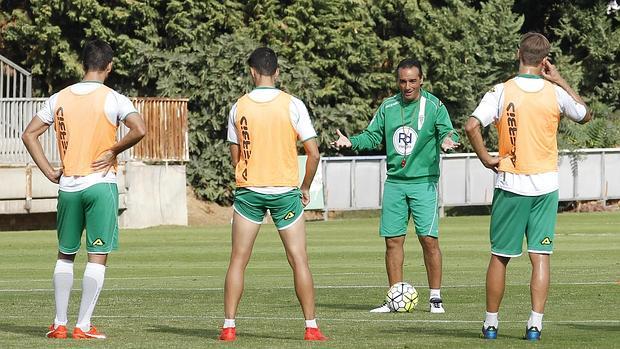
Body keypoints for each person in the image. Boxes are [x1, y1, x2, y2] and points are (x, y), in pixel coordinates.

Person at [465, 32, 591, 341]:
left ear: (518, 53)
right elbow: (585, 115)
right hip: (546, 185)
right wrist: (560, 79)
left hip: (511, 182)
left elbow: (471, 125)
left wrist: (485, 158)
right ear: (545, 59)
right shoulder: (554, 93)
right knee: (540, 256)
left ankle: (491, 324)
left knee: (500, 256)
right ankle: (535, 325)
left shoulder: (501, 91)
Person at [21, 39, 146, 340]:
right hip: (100, 185)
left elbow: (29, 134)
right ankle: (83, 325)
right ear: (109, 66)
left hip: (69, 187)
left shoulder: (59, 98)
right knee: (97, 256)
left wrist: (51, 171)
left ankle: (59, 324)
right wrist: (113, 150)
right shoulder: (114, 98)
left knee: (65, 255)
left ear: (83, 64)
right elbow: (140, 129)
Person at [331, 58, 460, 314]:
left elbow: (450, 132)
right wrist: (351, 142)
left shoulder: (434, 106)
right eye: (403, 81)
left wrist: (447, 140)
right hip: (395, 184)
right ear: (397, 81)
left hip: (424, 183)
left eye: (412, 81)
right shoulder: (388, 106)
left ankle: (435, 297)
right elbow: (372, 136)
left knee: (428, 240)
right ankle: (395, 296)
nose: (408, 86)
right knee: (392, 242)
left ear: (421, 80)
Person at [220, 47, 327, 342]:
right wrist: (305, 187)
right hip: (284, 192)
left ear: (252, 72)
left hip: (250, 192)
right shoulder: (293, 104)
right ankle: (311, 327)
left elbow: (235, 154)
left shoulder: (238, 106)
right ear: (277, 72)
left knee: (238, 260)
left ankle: (229, 326)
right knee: (299, 260)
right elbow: (314, 153)